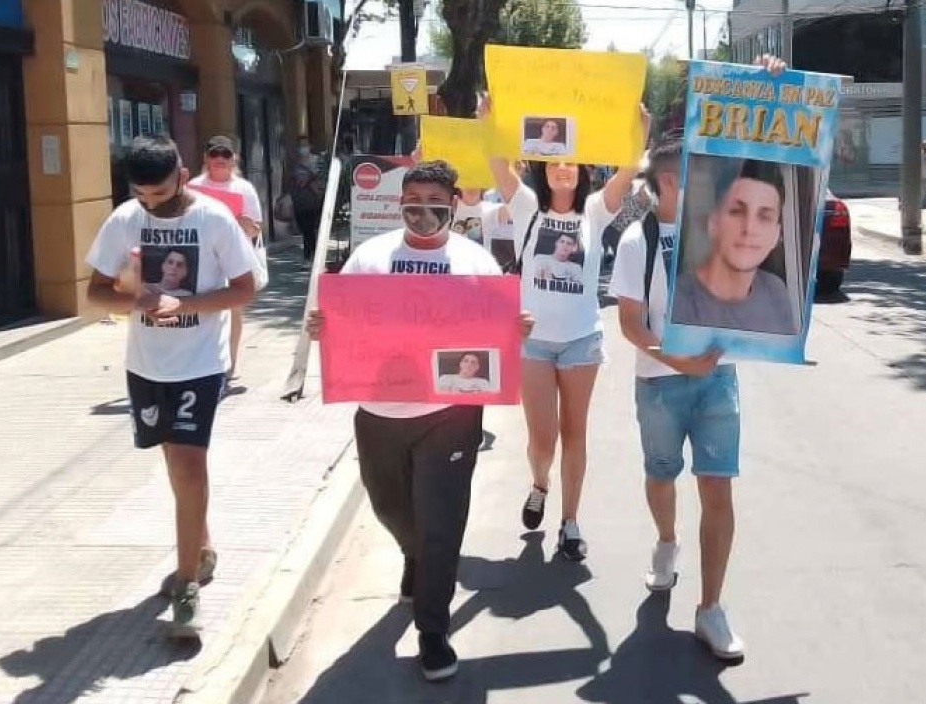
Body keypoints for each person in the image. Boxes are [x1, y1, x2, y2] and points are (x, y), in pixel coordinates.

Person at [306, 160, 534, 682]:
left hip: (448, 416)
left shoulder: (476, 263)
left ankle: (433, 630)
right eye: (413, 202)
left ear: (453, 205)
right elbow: (341, 320)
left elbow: (495, 334)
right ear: (399, 204)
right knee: (388, 505)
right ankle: (412, 553)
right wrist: (324, 325)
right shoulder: (369, 258)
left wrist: (513, 327)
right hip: (378, 412)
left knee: (441, 523)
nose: (423, 211)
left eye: (435, 202)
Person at [609, 55, 787, 665]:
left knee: (717, 487)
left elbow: (769, 155)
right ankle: (666, 541)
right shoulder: (635, 241)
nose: (705, 183)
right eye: (690, 174)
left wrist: (765, 86)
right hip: (660, 383)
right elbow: (629, 324)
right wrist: (677, 362)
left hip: (717, 382)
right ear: (665, 181)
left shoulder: (716, 234)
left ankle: (710, 607)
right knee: (661, 475)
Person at [85, 136, 258, 638]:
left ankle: (186, 587)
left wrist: (183, 305)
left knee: (188, 463)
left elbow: (245, 288)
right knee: (175, 463)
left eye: (159, 193)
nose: (150, 204)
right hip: (146, 365)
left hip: (200, 363)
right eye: (140, 194)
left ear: (182, 177)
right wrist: (136, 302)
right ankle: (201, 549)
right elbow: (96, 293)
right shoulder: (125, 219)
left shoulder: (214, 219)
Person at [482, 93, 650, 561]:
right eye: (556, 162)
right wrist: (491, 121)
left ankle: (570, 522)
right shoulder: (526, 206)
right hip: (533, 343)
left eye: (571, 163)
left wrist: (639, 133)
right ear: (544, 167)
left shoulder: (595, 210)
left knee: (575, 433)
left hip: (581, 342)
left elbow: (627, 172)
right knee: (542, 440)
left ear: (581, 170)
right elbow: (497, 164)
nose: (563, 169)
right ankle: (539, 483)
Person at [671, 158, 797, 336]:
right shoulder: (679, 300)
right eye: (737, 211)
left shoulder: (776, 292)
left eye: (764, 217)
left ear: (776, 235)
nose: (749, 229)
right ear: (713, 222)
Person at [189, 136, 265, 380]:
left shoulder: (244, 188)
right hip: (202, 256)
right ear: (206, 158)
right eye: (214, 154)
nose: (219, 159)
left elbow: (256, 230)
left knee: (234, 310)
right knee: (202, 308)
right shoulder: (192, 187)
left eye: (225, 154)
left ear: (234, 159)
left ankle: (230, 363)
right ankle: (202, 360)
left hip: (234, 257)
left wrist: (246, 224)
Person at [289, 135, 325, 267]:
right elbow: (291, 182)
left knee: (310, 230)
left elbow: (322, 180)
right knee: (305, 230)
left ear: (310, 146)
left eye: (305, 145)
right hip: (299, 202)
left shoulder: (318, 162)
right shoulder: (294, 163)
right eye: (300, 146)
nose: (302, 148)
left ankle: (310, 256)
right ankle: (310, 256)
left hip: (314, 202)